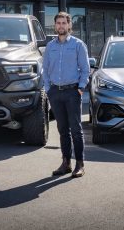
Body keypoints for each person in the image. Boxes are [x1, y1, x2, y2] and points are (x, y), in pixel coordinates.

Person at [41, 12, 91, 178]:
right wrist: (48, 88)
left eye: (64, 23)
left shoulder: (78, 45)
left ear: (69, 26)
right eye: (58, 23)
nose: (61, 26)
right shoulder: (50, 46)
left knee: (76, 129)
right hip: (55, 92)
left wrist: (80, 87)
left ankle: (80, 164)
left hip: (72, 92)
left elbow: (85, 69)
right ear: (55, 26)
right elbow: (45, 69)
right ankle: (66, 163)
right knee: (62, 130)